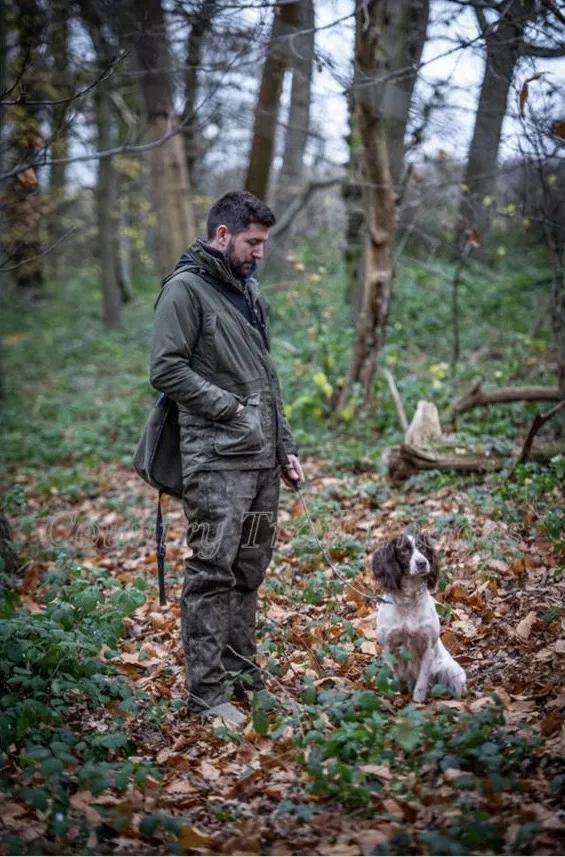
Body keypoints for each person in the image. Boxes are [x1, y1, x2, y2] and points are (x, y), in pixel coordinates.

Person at [149, 191, 304, 725]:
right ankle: (208, 696)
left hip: (262, 462)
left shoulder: (251, 293)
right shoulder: (185, 290)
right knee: (212, 571)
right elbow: (166, 370)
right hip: (215, 461)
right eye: (252, 242)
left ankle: (242, 676)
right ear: (222, 235)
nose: (260, 252)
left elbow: (267, 379)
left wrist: (286, 447)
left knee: (249, 569)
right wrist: (231, 410)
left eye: (263, 242)